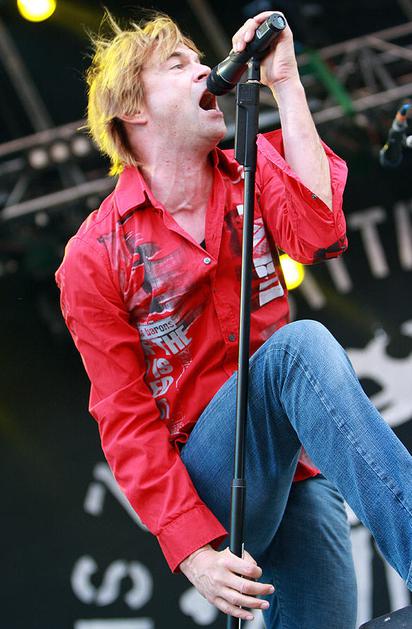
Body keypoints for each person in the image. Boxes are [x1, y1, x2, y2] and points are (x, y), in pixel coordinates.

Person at [56, 9, 412, 628]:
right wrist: (192, 549)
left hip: (292, 470)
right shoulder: (95, 254)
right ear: (133, 109)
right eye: (179, 65)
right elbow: (125, 419)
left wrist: (286, 82)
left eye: (202, 60)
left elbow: (319, 234)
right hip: (210, 481)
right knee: (298, 348)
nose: (204, 70)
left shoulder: (254, 169)